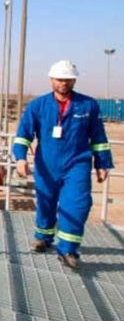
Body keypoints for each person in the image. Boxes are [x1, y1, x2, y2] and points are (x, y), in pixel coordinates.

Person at [13, 60, 114, 269]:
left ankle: (68, 249)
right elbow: (23, 134)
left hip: (77, 164)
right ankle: (43, 236)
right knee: (46, 202)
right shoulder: (38, 106)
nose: (64, 83)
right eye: (60, 79)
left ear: (74, 80)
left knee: (77, 205)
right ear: (51, 79)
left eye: (68, 79)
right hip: (46, 165)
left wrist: (102, 164)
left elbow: (98, 137)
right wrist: (20, 158)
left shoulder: (88, 105)